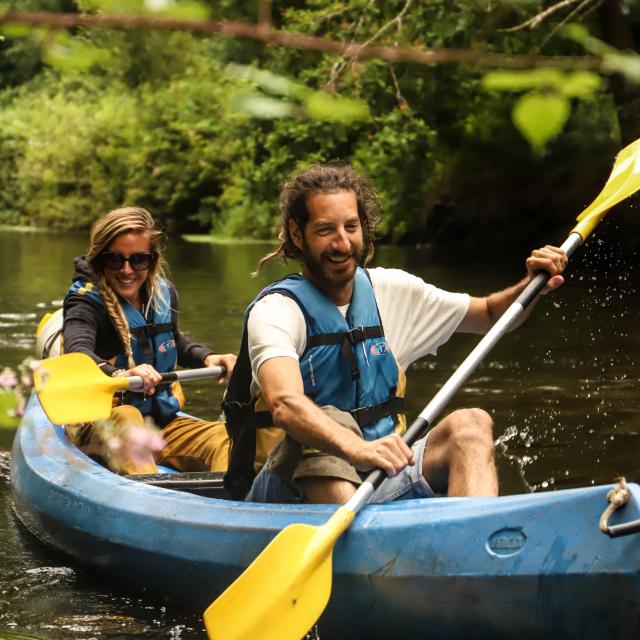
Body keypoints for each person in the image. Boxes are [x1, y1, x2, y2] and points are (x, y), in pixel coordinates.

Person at [222, 163, 568, 504]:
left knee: (471, 424)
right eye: (326, 230)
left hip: (378, 473)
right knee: (330, 421)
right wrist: (357, 447)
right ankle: (361, 552)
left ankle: (472, 539)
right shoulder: (277, 310)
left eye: (351, 227)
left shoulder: (393, 290)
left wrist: (532, 285)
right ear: (298, 234)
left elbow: (492, 314)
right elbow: (285, 404)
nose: (342, 243)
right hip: (287, 490)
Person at [62, 206, 236, 475]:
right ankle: (154, 500)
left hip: (159, 423)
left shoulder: (163, 294)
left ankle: (225, 506)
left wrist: (208, 357)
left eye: (139, 260)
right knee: (128, 418)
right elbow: (77, 351)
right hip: (102, 422)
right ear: (100, 260)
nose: (127, 270)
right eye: (115, 260)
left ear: (152, 259)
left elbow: (172, 341)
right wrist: (122, 373)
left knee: (223, 438)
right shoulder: (85, 301)